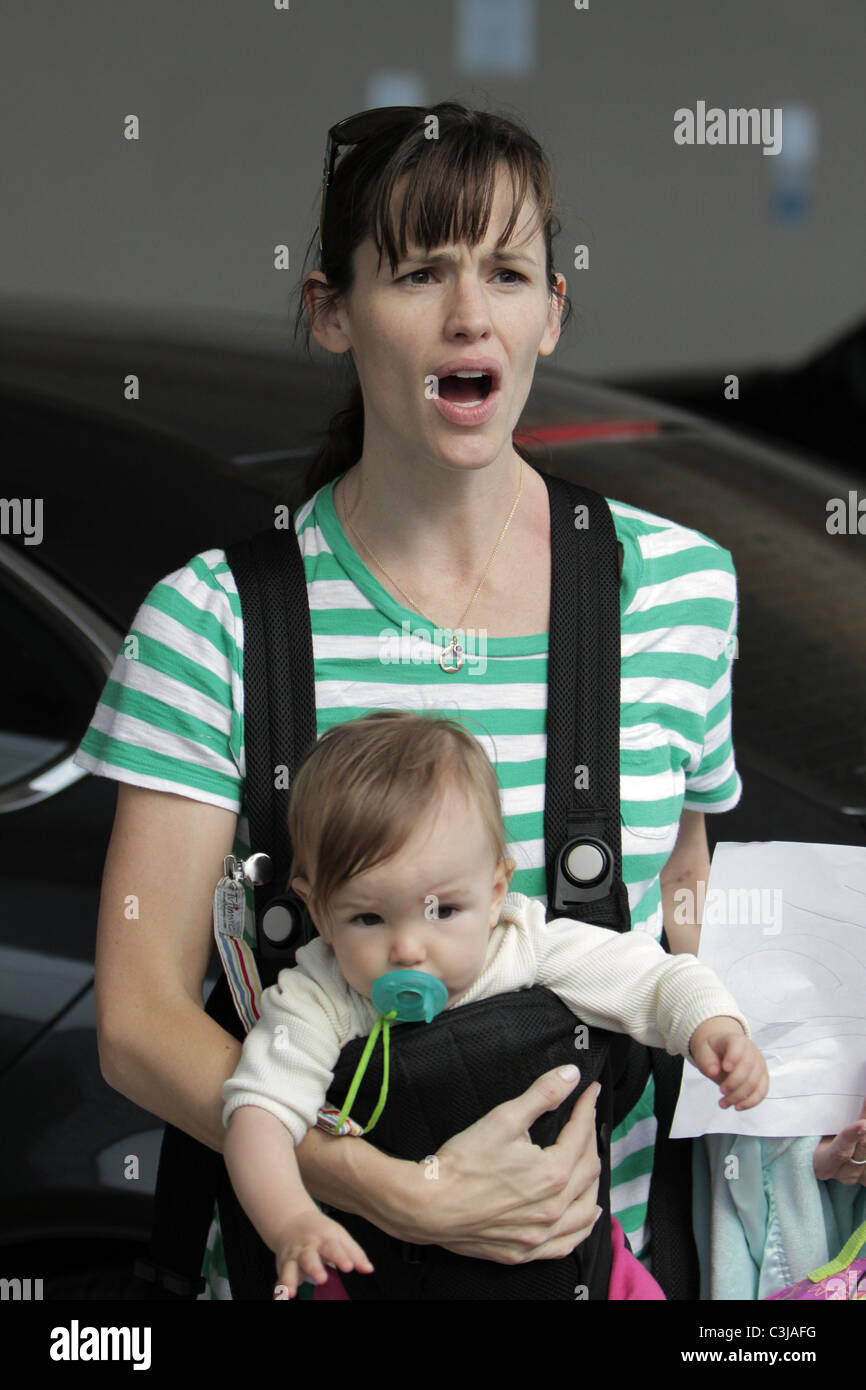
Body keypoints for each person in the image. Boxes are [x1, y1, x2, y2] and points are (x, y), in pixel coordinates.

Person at [77, 101, 747, 1301]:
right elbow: (135, 1020)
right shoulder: (212, 624)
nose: (466, 314)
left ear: (552, 310)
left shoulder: (680, 592)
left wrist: (803, 1088)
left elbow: (686, 912)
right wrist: (394, 1187)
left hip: (612, 1274)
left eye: (505, 270)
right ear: (331, 312)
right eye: (418, 271)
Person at [221, 710, 769, 1299]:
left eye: (444, 911)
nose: (408, 948)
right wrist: (291, 1220)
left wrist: (712, 1026)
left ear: (497, 890)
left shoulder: (523, 944)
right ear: (318, 908)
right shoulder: (318, 1000)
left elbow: (650, 978)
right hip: (391, 1271)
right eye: (367, 918)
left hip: (569, 1254)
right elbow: (258, 1117)